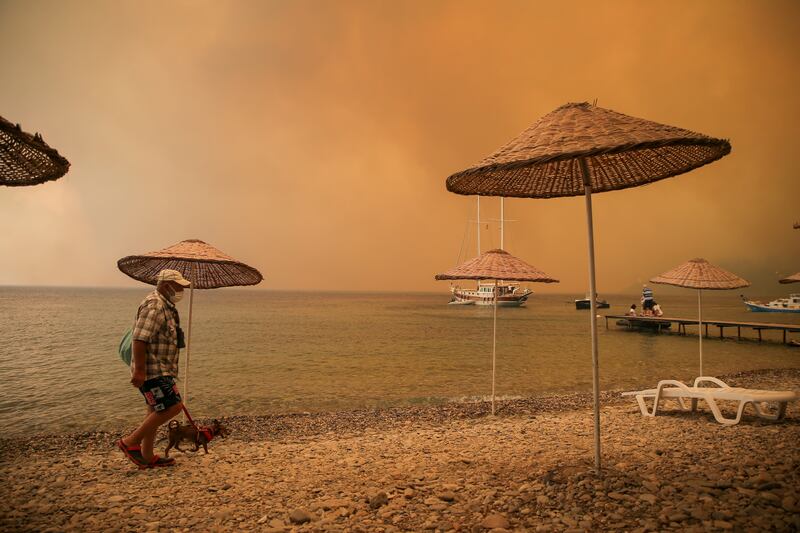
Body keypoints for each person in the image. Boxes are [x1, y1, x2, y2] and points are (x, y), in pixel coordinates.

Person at [118, 269, 191, 468]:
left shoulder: (167, 306)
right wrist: (139, 371)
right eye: (178, 287)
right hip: (153, 371)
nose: (181, 290)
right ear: (167, 285)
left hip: (161, 369)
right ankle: (130, 442)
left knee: (154, 409)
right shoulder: (155, 305)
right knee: (173, 406)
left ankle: (147, 456)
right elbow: (140, 338)